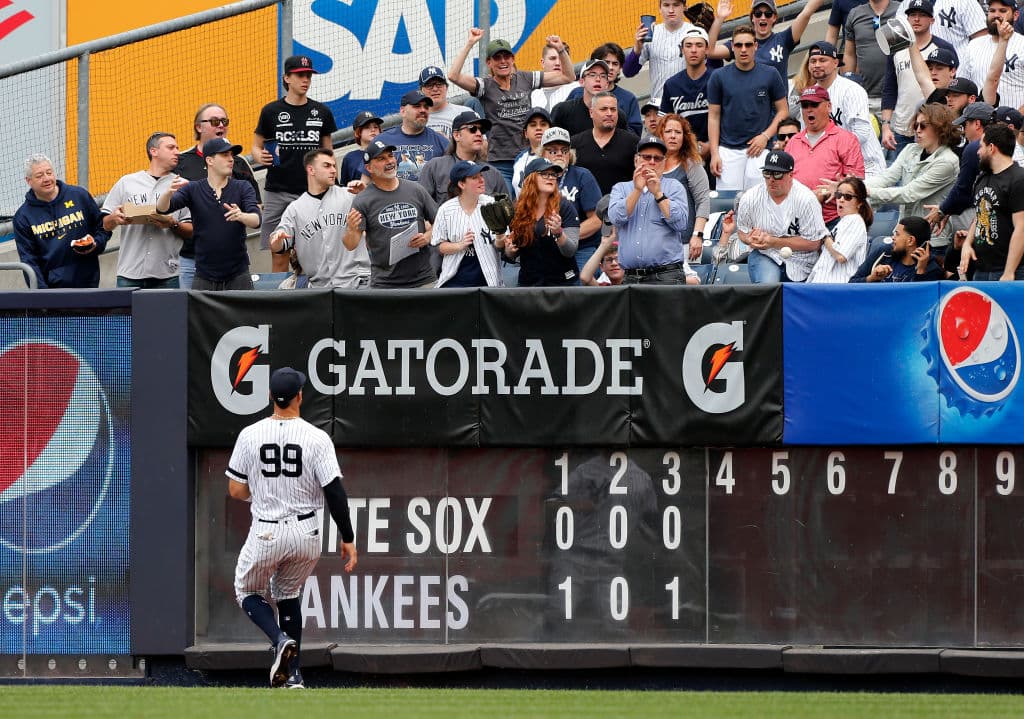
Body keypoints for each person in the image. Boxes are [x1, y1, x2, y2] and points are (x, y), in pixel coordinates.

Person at [227, 366, 357, 690]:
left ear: (270, 396)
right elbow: (335, 492)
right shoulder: (317, 438)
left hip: (267, 530)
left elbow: (236, 489)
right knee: (288, 593)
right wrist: (348, 537)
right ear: (300, 396)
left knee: (247, 591)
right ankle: (294, 675)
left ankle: (279, 639)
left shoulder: (250, 435)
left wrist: (262, 491)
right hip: (306, 533)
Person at [449, 29, 575, 187]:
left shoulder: (525, 78)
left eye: (506, 56)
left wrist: (561, 49)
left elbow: (568, 77)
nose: (503, 61)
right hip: (501, 163)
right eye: (497, 57)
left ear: (512, 59)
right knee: (505, 202)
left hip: (529, 157)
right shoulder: (485, 86)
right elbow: (453, 76)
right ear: (489, 63)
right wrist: (470, 43)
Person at [253, 55, 337, 272]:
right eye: (300, 75)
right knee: (279, 252)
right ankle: (280, 294)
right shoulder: (271, 111)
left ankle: (315, 291)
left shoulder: (322, 111)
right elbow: (256, 146)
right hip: (278, 190)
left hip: (312, 192)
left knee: (315, 250)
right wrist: (260, 156)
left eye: (308, 75)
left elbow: (328, 152)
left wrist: (332, 182)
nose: (305, 80)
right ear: (286, 78)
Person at [156, 138, 262, 290]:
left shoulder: (243, 186)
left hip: (238, 274)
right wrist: (168, 193)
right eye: (224, 155)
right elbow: (162, 209)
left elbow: (257, 220)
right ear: (210, 160)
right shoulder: (193, 189)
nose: (231, 159)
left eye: (231, 155)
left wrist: (241, 216)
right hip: (204, 275)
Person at [177, 103, 262, 289]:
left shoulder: (239, 162)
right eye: (215, 121)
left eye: (225, 121)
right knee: (194, 308)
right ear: (199, 127)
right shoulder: (181, 162)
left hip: (233, 264)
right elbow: (165, 205)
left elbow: (257, 207)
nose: (221, 125)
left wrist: (242, 215)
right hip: (191, 260)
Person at [863, 103, 960, 252]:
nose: (917, 130)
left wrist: (865, 191)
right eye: (916, 125)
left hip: (931, 242)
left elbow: (908, 194)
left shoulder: (947, 161)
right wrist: (854, 185)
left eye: (923, 126)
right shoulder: (911, 149)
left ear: (940, 128)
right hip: (903, 236)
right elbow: (887, 178)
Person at [101, 132, 193, 288]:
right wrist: (114, 218)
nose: (177, 152)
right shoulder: (127, 182)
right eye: (171, 148)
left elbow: (190, 231)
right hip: (129, 273)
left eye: (177, 148)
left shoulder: (183, 185)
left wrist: (172, 223)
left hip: (167, 274)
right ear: (154, 151)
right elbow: (104, 224)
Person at [268, 149, 370, 288]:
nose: (333, 170)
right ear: (311, 170)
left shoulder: (350, 194)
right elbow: (278, 245)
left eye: (334, 166)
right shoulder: (295, 209)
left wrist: (365, 195)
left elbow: (376, 217)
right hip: (321, 289)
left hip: (357, 283)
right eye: (327, 166)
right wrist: (276, 240)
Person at [344, 140, 437, 288]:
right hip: (385, 285)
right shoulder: (362, 200)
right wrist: (351, 229)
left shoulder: (416, 189)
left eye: (390, 156)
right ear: (369, 168)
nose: (389, 161)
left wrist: (427, 237)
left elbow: (440, 223)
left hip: (424, 280)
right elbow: (350, 245)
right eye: (381, 158)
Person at [726, 150, 829, 283]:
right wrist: (750, 239)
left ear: (790, 175)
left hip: (802, 261)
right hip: (766, 255)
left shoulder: (807, 200)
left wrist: (774, 242)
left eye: (777, 174)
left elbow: (814, 243)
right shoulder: (750, 198)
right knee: (768, 286)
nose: (771, 179)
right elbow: (742, 232)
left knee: (797, 294)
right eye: (767, 173)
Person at [707, 24, 789, 191]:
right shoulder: (718, 76)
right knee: (728, 203)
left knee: (759, 200)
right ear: (732, 47)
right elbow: (713, 116)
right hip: (728, 150)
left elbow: (783, 111)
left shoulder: (770, 74)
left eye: (748, 45)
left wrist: (765, 136)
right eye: (738, 45)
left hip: (761, 149)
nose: (743, 49)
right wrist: (715, 153)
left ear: (755, 46)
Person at [608, 135, 698, 285]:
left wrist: (658, 194)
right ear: (636, 160)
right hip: (631, 276)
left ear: (664, 162)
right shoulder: (621, 188)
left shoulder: (674, 186)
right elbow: (616, 218)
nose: (651, 162)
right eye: (646, 157)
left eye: (657, 158)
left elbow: (681, 224)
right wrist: (637, 190)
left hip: (666, 275)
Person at [14, 154, 111, 289]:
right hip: (53, 291)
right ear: (28, 181)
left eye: (49, 173)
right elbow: (29, 260)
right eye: (39, 176)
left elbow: (102, 227)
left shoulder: (79, 196)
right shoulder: (23, 217)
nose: (46, 179)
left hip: (89, 284)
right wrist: (42, 295)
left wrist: (96, 244)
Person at [790, 42, 887, 176]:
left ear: (835, 63)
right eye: (813, 61)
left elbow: (861, 134)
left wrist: (828, 149)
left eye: (822, 60)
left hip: (867, 166)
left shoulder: (851, 90)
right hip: (831, 167)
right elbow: (806, 134)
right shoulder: (808, 95)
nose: (817, 65)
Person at [880, 0, 957, 160]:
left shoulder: (943, 48)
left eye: (922, 15)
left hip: (932, 127)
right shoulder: (896, 49)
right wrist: (886, 126)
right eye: (912, 15)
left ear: (932, 20)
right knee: (899, 172)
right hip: (902, 127)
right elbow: (889, 88)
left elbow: (951, 85)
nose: (916, 19)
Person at [786, 86, 864, 228]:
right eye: (805, 105)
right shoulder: (793, 142)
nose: (809, 109)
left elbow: (856, 182)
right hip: (798, 218)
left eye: (814, 104)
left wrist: (832, 190)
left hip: (834, 219)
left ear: (828, 106)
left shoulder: (846, 139)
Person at [959, 122, 1024, 280]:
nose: (978, 152)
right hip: (981, 269)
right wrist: (967, 243)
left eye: (981, 147)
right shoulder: (982, 178)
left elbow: (1021, 227)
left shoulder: (1018, 179)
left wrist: (1009, 271)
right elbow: (979, 216)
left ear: (991, 148)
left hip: (1010, 270)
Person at [504, 157, 581, 286]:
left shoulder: (565, 207)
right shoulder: (517, 210)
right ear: (530, 178)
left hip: (563, 283)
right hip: (529, 283)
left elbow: (570, 251)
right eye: (544, 174)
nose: (550, 178)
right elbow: (511, 254)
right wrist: (510, 251)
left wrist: (559, 233)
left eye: (553, 174)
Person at [708, 0, 824, 83]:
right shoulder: (742, 44)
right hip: (751, 106)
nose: (763, 17)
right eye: (758, 14)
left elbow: (806, 13)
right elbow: (710, 51)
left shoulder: (783, 39)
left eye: (768, 14)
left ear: (774, 17)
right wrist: (719, 19)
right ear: (752, 17)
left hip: (777, 108)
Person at [432, 160, 507, 287]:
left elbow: (502, 247)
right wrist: (459, 245)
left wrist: (500, 235)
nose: (481, 180)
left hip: (488, 281)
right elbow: (438, 246)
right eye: (474, 177)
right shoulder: (446, 209)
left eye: (481, 176)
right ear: (462, 184)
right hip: (454, 282)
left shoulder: (493, 204)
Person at [539, 127, 603, 271]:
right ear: (542, 154)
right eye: (553, 151)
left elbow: (597, 220)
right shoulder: (534, 178)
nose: (559, 154)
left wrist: (565, 237)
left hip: (581, 249)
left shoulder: (583, 176)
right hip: (546, 251)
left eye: (564, 150)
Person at [925, 101, 994, 236]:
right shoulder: (1008, 141)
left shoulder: (974, 148)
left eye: (965, 125)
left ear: (977, 124)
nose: (964, 130)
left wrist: (943, 210)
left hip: (984, 214)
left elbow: (963, 189)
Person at [420, 111, 509, 204]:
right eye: (472, 128)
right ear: (457, 135)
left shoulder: (493, 173)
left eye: (481, 130)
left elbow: (507, 209)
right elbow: (422, 204)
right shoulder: (435, 167)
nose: (479, 133)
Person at [657, 113, 711, 260]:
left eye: (678, 132)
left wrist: (697, 235)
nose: (673, 136)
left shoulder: (691, 164)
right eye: (668, 131)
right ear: (660, 135)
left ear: (684, 137)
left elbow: (703, 200)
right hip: (656, 244)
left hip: (686, 243)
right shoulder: (651, 164)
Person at [660, 26, 716, 161]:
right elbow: (664, 124)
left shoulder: (718, 79)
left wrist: (711, 146)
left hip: (717, 152)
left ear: (707, 49)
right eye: (689, 45)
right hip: (683, 154)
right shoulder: (671, 85)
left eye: (699, 45)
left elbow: (729, 120)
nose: (693, 50)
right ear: (682, 49)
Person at [566, 43, 644, 135]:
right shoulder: (577, 93)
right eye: (607, 62)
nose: (610, 68)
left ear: (620, 68)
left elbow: (635, 134)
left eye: (615, 64)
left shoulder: (628, 99)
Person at [572, 92, 641, 195]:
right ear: (591, 112)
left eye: (613, 109)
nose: (609, 113)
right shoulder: (575, 143)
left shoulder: (634, 143)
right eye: (603, 109)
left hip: (624, 203)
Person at [374, 90, 450, 182]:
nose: (423, 110)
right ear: (403, 111)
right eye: (417, 106)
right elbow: (368, 178)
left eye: (426, 107)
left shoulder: (441, 141)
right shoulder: (382, 140)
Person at [806, 176, 872, 283]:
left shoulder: (855, 221)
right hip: (824, 284)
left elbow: (841, 256)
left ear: (859, 203)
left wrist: (824, 235)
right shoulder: (844, 222)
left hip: (839, 286)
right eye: (838, 195)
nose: (841, 199)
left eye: (848, 197)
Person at [623, 0, 692, 99]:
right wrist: (637, 49)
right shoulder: (650, 33)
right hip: (659, 104)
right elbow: (628, 72)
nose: (671, 10)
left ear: (684, 7)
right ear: (660, 8)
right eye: (666, 5)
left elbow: (709, 70)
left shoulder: (695, 33)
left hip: (688, 103)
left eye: (676, 5)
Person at [961, 0, 1024, 110]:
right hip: (980, 118)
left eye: (1002, 11)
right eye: (992, 11)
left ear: (1015, 15)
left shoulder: (1022, 44)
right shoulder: (973, 45)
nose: (996, 15)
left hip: (1016, 118)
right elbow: (963, 86)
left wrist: (1018, 117)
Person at [844, 0, 902, 110]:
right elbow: (849, 54)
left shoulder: (901, 10)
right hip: (864, 97)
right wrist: (848, 88)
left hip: (898, 96)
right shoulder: (855, 14)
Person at [850, 215, 945, 280]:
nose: (893, 237)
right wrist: (872, 278)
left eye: (897, 234)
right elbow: (853, 283)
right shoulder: (884, 253)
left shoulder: (931, 268)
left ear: (910, 240)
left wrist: (920, 271)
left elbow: (920, 299)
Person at [552, 59, 629, 136]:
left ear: (607, 84)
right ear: (582, 81)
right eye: (592, 75)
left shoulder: (617, 116)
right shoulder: (563, 111)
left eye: (603, 76)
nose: (598, 79)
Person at [419, 65, 470, 140]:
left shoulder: (464, 112)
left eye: (439, 85)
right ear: (421, 91)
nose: (435, 89)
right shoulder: (416, 118)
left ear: (446, 87)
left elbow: (483, 145)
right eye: (429, 85)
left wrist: (448, 143)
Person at [511, 107, 553, 197]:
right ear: (525, 133)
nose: (538, 128)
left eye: (543, 124)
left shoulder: (557, 155)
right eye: (533, 125)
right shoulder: (519, 159)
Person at [529, 43, 578, 111]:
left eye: (561, 59)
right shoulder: (534, 95)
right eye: (553, 58)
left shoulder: (577, 88)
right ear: (543, 63)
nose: (557, 63)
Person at [339, 111, 382, 185]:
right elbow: (345, 186)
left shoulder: (386, 152)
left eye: (376, 127)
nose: (373, 130)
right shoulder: (350, 158)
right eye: (367, 127)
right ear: (358, 133)